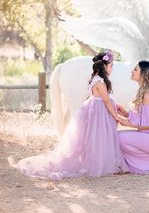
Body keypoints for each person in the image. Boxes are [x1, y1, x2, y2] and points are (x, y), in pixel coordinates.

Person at [12, 52, 129, 180]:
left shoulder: (94, 79)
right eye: (111, 66)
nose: (112, 68)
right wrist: (116, 115)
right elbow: (106, 101)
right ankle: (100, 164)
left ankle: (97, 160)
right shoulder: (101, 82)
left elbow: (99, 98)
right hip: (100, 111)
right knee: (100, 136)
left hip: (95, 109)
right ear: (105, 66)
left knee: (95, 136)